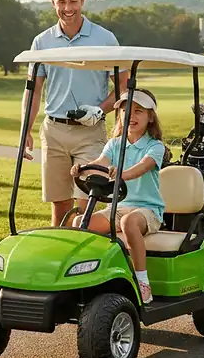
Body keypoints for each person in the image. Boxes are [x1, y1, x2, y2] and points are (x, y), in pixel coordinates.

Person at [22, 0, 128, 227]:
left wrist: (101, 111)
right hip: (54, 131)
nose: (67, 8)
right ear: (53, 2)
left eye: (73, 1)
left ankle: (86, 265)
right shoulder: (42, 42)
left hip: (90, 133)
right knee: (59, 207)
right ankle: (59, 263)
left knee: (87, 206)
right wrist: (25, 128)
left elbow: (123, 87)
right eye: (61, 2)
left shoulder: (105, 39)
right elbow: (33, 90)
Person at [70, 89, 165, 304]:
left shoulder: (155, 147)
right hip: (119, 207)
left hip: (148, 210)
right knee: (80, 222)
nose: (131, 115)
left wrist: (120, 173)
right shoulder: (115, 144)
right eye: (126, 110)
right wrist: (83, 170)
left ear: (150, 117)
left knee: (128, 222)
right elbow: (101, 162)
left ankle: (142, 281)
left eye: (139, 111)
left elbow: (141, 168)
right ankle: (87, 279)